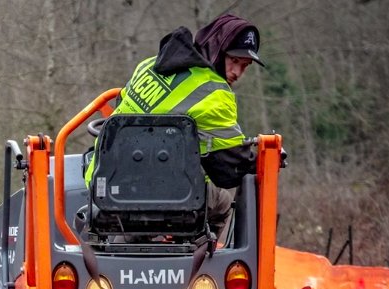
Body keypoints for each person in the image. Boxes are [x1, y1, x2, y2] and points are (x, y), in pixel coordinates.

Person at [84, 13, 262, 239]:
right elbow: (229, 171)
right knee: (222, 202)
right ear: (216, 49)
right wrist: (262, 161)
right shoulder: (216, 93)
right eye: (234, 60)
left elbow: (122, 113)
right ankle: (195, 257)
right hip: (166, 200)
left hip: (104, 183)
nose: (237, 72)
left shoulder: (148, 65)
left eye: (245, 66)